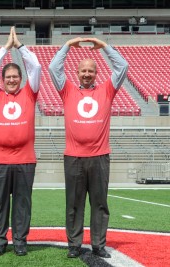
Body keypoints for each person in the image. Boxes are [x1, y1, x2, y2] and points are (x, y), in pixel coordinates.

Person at [48, 37, 129, 259]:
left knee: (100, 204)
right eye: (83, 70)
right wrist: (68, 45)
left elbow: (123, 66)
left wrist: (102, 45)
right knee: (74, 204)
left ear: (96, 73)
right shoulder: (67, 91)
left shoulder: (107, 90)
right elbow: (53, 67)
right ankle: (74, 245)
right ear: (77, 73)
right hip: (73, 157)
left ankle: (98, 244)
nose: (86, 74)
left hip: (100, 157)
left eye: (90, 71)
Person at [0, 26, 41, 256]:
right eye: (7, 77)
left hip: (24, 159)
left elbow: (35, 67)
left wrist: (19, 46)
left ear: (21, 79)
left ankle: (20, 241)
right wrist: (5, 47)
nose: (11, 80)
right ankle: (0, 241)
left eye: (15, 77)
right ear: (2, 79)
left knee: (22, 203)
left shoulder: (30, 92)